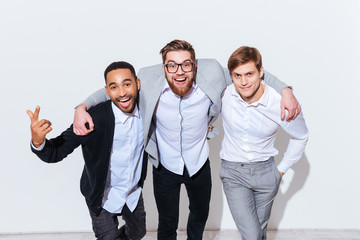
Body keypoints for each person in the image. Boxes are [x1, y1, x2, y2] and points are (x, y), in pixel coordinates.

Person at [73, 40, 300, 240]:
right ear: (163, 68)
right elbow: (116, 88)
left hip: (199, 163)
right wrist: (82, 106)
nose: (179, 71)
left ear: (195, 65)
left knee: (199, 216)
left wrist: (286, 90)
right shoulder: (149, 78)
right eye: (172, 65)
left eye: (186, 64)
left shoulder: (211, 71)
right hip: (164, 165)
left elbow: (250, 71)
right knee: (167, 221)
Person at [27, 61, 147, 240]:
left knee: (139, 232)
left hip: (132, 193)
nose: (122, 93)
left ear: (137, 84)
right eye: (114, 87)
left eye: (127, 84)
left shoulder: (148, 110)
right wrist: (38, 142)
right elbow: (56, 152)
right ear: (106, 92)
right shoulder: (93, 119)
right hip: (101, 196)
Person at [219, 46, 309, 240]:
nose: (243, 82)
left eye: (249, 74)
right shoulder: (225, 93)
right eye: (237, 75)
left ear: (261, 72)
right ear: (231, 76)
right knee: (252, 235)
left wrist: (280, 171)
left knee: (258, 233)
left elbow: (301, 136)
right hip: (234, 173)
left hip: (267, 175)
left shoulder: (281, 102)